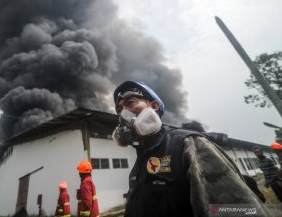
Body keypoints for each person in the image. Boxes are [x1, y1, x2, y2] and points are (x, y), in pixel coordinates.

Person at [112, 80, 271, 217]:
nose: (123, 114)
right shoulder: (141, 157)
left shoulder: (189, 143)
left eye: (130, 103)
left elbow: (238, 209)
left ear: (153, 106)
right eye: (119, 110)